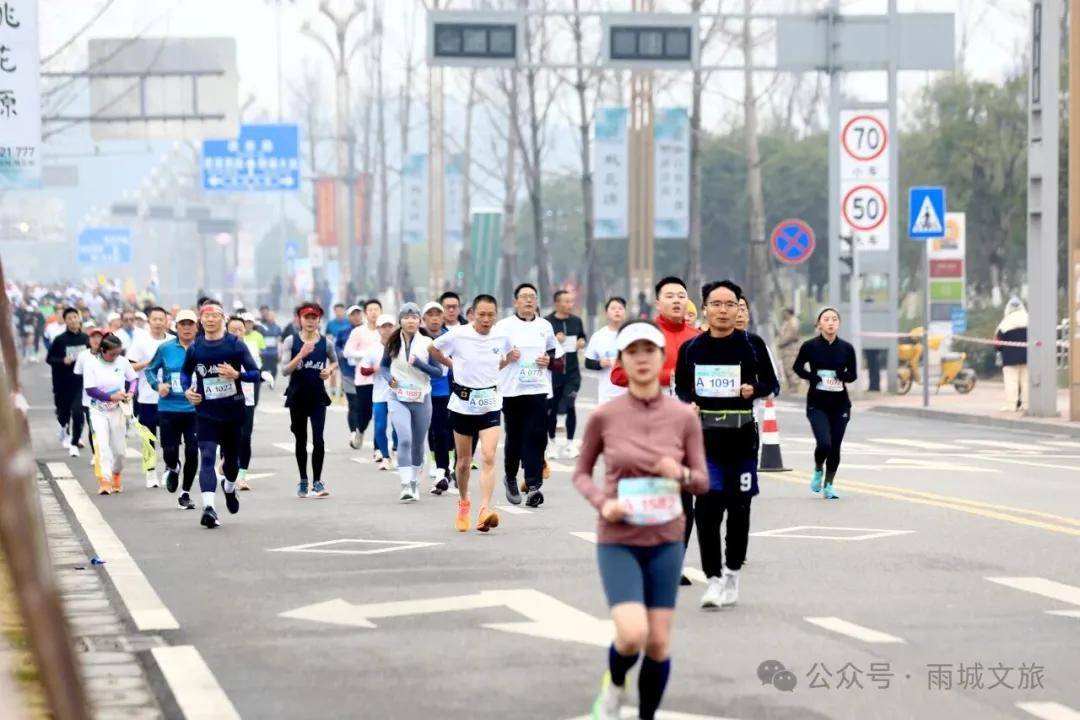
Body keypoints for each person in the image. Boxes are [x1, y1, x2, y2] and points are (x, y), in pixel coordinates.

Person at [573, 320, 708, 720]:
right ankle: (614, 686)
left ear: (663, 357)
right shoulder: (605, 416)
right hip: (619, 538)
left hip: (666, 539)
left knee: (659, 643)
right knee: (632, 635)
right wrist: (602, 502)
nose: (642, 359)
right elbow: (581, 473)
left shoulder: (684, 417)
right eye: (633, 352)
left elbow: (701, 481)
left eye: (650, 350)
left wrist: (679, 473)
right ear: (622, 361)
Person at [675, 281, 778, 609]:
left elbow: (772, 383)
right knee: (706, 510)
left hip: (742, 438)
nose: (723, 310)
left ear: (739, 308)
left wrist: (753, 390)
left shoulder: (751, 344)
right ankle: (714, 579)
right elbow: (681, 387)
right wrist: (689, 402)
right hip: (704, 441)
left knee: (739, 508)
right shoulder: (692, 349)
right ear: (705, 308)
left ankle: (733, 572)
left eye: (730, 304)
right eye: (716, 304)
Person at [611, 277, 699, 584]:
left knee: (684, 499)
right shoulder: (645, 336)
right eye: (670, 296)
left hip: (686, 432)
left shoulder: (698, 337)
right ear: (657, 303)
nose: (677, 301)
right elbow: (618, 374)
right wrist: (666, 376)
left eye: (681, 296)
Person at [429, 294, 513, 532]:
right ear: (472, 314)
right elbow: (433, 348)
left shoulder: (502, 335)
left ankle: (484, 509)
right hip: (463, 404)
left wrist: (501, 366)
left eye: (491, 315)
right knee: (464, 462)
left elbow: (507, 355)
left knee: (488, 456)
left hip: (490, 403)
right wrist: (452, 364)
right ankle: (464, 502)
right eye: (482, 314)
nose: (486, 319)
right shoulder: (459, 334)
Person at [181, 301, 263, 528]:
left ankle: (229, 488)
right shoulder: (195, 348)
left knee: (231, 464)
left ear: (222, 318)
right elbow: (185, 373)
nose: (209, 319)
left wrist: (237, 374)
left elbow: (256, 374)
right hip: (206, 412)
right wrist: (188, 391)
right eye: (205, 316)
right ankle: (209, 508)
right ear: (201, 320)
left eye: (214, 315)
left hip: (233, 411)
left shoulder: (235, 345)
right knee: (206, 457)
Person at [495, 283, 563, 508]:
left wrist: (549, 361)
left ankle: (533, 486)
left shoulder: (545, 326)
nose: (528, 301)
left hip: (538, 389)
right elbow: (491, 358)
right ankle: (511, 477)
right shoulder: (504, 327)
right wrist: (507, 358)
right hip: (512, 390)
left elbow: (556, 356)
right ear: (515, 301)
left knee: (537, 436)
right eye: (523, 297)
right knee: (515, 436)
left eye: (532, 297)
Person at [792, 308, 857, 500]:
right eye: (826, 319)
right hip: (817, 404)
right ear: (819, 324)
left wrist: (842, 376)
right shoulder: (810, 346)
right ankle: (818, 468)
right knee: (824, 444)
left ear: (839, 324)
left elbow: (852, 375)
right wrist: (812, 377)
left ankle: (829, 485)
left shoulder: (846, 348)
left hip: (840, 404)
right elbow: (797, 367)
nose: (831, 323)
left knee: (835, 446)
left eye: (834, 319)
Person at [381, 303, 442, 501]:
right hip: (398, 397)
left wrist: (420, 364)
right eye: (407, 317)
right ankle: (405, 485)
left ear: (419, 321)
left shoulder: (427, 343)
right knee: (404, 439)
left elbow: (438, 372)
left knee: (417, 443)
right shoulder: (392, 342)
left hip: (421, 397)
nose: (411, 321)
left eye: (414, 317)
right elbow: (383, 367)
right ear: (400, 321)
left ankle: (414, 482)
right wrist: (389, 379)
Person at [281, 302, 338, 499]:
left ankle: (318, 481)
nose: (311, 321)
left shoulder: (326, 342)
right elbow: (285, 370)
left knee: (319, 440)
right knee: (301, 440)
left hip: (317, 398)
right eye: (307, 317)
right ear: (300, 319)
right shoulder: (291, 341)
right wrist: (302, 354)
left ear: (319, 320)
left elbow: (334, 360)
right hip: (297, 397)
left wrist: (329, 370)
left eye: (314, 318)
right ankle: (303, 480)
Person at [145, 310, 200, 510]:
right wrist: (157, 386)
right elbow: (150, 370)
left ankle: (185, 493)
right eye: (182, 324)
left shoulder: (203, 348)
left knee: (193, 451)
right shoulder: (165, 348)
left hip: (195, 409)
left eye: (190, 324)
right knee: (170, 450)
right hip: (169, 407)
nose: (186, 328)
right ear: (176, 327)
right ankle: (173, 466)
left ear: (196, 327)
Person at [82, 334, 138, 495]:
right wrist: (110, 396)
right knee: (103, 444)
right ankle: (105, 480)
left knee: (120, 450)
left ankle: (116, 473)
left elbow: (133, 379)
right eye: (112, 354)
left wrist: (131, 392)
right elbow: (90, 390)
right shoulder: (91, 364)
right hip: (98, 410)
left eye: (118, 353)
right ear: (102, 350)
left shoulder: (122, 361)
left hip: (118, 410)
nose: (115, 357)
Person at [127, 306, 170, 489]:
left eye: (162, 319)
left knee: (170, 438)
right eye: (155, 319)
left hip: (169, 397)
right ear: (149, 321)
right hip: (146, 397)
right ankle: (151, 471)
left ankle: (170, 469)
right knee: (148, 438)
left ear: (166, 321)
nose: (158, 323)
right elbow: (129, 368)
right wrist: (149, 363)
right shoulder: (140, 342)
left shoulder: (173, 341)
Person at [228, 316, 269, 492]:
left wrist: (239, 375)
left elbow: (256, 373)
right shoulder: (221, 349)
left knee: (245, 437)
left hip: (247, 398)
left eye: (240, 329)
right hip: (226, 399)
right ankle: (227, 462)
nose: (237, 332)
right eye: (233, 330)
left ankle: (242, 476)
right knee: (228, 438)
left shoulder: (250, 348)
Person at [546, 289, 586, 459]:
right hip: (554, 371)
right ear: (557, 303)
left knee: (570, 402)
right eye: (566, 302)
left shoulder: (576, 321)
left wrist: (581, 342)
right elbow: (543, 346)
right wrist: (556, 339)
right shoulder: (547, 322)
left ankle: (570, 444)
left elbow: (583, 337)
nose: (570, 305)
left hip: (572, 371)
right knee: (552, 408)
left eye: (571, 301)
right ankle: (552, 443)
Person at [46, 307, 89, 457]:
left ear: (79, 319)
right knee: (63, 412)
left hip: (80, 382)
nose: (72, 321)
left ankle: (76, 438)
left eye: (75, 317)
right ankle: (64, 429)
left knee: (78, 412)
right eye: (69, 318)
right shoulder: (60, 340)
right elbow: (49, 359)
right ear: (65, 321)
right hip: (63, 382)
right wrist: (62, 360)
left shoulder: (86, 339)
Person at [358, 315, 399, 471]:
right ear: (378, 329)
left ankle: (395, 451)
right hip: (380, 394)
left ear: (395, 327)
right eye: (383, 327)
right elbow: (363, 370)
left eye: (390, 326)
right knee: (380, 426)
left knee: (397, 427)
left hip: (398, 393)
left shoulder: (400, 348)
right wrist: (376, 369)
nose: (387, 330)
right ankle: (385, 457)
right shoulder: (373, 349)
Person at [421, 302, 454, 494]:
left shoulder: (450, 337)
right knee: (427, 432)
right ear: (423, 319)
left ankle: (442, 471)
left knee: (441, 431)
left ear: (442, 318)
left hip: (442, 391)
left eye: (437, 314)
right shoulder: (417, 338)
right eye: (430, 315)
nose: (434, 318)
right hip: (420, 392)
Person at [73, 328, 105, 481]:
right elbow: (77, 374)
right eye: (94, 337)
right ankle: (96, 454)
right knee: (93, 428)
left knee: (105, 428)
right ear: (89, 339)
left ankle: (105, 452)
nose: (96, 340)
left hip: (107, 397)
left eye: (99, 337)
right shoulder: (83, 356)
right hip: (89, 398)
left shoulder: (108, 354)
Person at [584, 297, 628, 406]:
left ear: (625, 312)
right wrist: (599, 364)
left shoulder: (632, 334)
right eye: (613, 308)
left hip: (629, 393)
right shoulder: (598, 336)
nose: (617, 311)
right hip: (606, 394)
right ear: (606, 313)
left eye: (620, 308)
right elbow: (588, 362)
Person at [996, 297, 1029, 412]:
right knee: (1026, 381)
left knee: (1011, 382)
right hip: (1028, 358)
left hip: (1009, 359)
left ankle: (1011, 405)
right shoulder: (1029, 319)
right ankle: (1026, 405)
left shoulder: (1005, 323)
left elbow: (998, 344)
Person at [340, 305, 365, 446]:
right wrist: (342, 353)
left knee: (364, 405)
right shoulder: (343, 333)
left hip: (366, 374)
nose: (356, 317)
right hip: (348, 373)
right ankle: (353, 433)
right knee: (353, 404)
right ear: (349, 317)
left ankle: (361, 430)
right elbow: (336, 347)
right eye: (353, 314)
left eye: (358, 314)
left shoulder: (368, 331)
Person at [325, 303, 351, 400]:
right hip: (333, 352)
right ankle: (332, 391)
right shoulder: (330, 324)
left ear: (344, 311)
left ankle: (341, 392)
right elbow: (326, 336)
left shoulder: (348, 323)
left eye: (341, 310)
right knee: (333, 373)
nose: (339, 312)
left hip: (345, 352)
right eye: (337, 311)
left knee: (344, 373)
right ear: (334, 311)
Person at [242, 314, 267, 405]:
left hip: (256, 368)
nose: (248, 325)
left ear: (253, 324)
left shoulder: (258, 336)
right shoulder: (239, 335)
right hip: (242, 369)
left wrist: (260, 353)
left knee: (255, 398)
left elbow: (264, 351)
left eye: (250, 322)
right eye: (246, 322)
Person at [776, 308, 802, 393]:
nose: (784, 315)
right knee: (786, 367)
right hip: (785, 349)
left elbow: (793, 334)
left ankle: (794, 386)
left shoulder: (793, 321)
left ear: (789, 313)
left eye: (785, 313)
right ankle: (790, 386)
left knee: (791, 366)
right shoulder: (786, 322)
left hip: (791, 348)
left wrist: (783, 342)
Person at [258, 306, 282, 378]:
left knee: (274, 368)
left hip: (274, 352)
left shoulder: (278, 328)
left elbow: (279, 340)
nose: (270, 317)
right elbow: (259, 338)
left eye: (272, 316)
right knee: (264, 367)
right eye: (269, 316)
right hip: (264, 351)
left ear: (275, 317)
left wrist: (279, 352)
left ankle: (272, 380)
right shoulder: (262, 327)